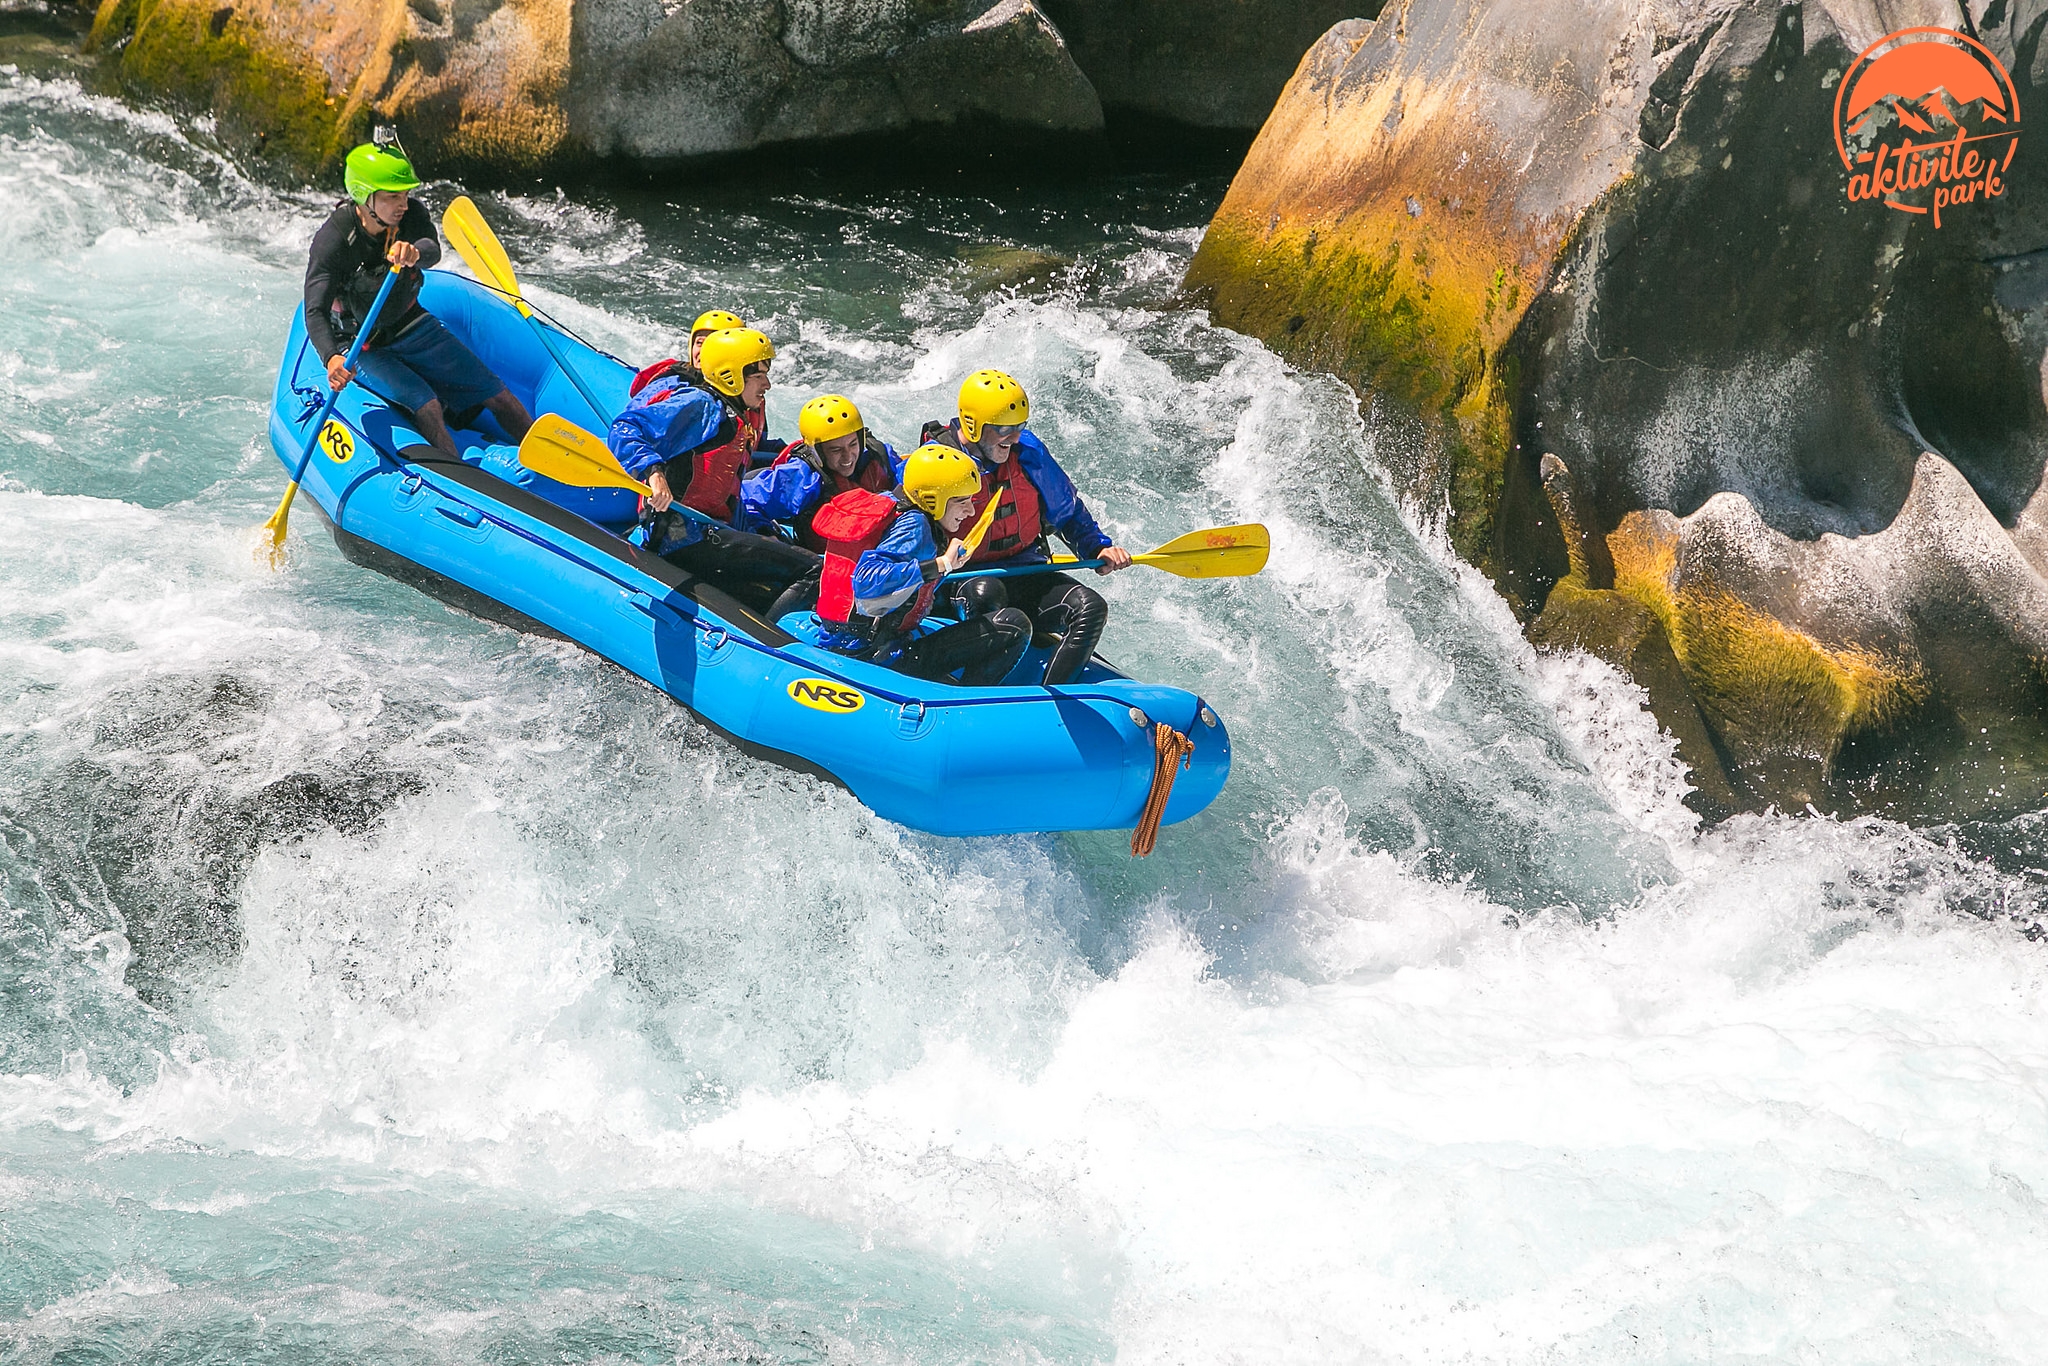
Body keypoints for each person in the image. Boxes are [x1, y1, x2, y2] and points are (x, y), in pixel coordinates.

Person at [304, 139, 532, 457]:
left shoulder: (410, 217)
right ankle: (459, 482)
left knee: (499, 395)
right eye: (393, 196)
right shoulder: (334, 240)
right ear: (364, 196)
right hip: (360, 343)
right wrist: (332, 358)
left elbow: (432, 249)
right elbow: (314, 310)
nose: (404, 204)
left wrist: (414, 252)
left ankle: (548, 462)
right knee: (428, 405)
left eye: (406, 194)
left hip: (408, 324)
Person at [924, 369, 1132, 685]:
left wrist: (1097, 546)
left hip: (1025, 572)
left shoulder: (1027, 453)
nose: (1015, 437)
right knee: (986, 594)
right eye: (1005, 428)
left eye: (1020, 426)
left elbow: (1069, 512)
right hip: (961, 582)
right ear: (973, 425)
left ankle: (1051, 701)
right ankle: (972, 695)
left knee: (1091, 607)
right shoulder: (938, 463)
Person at [608, 326, 817, 605]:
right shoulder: (701, 405)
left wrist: (760, 534)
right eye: (758, 376)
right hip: (687, 541)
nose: (767, 385)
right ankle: (769, 647)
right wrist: (654, 474)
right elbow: (626, 428)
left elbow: (724, 495)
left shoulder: (733, 414)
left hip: (710, 535)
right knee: (815, 569)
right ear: (731, 376)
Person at [812, 444, 1031, 686]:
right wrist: (941, 563)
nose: (970, 511)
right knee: (1014, 624)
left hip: (847, 639)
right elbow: (865, 580)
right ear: (933, 499)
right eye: (961, 501)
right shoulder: (915, 525)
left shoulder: (892, 502)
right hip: (876, 655)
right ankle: (965, 703)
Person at [737, 394, 899, 550]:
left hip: (882, 553)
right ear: (817, 451)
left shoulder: (880, 455)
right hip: (822, 560)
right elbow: (745, 500)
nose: (847, 457)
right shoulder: (802, 476)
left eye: (853, 444)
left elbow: (912, 481)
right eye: (836, 450)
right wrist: (766, 534)